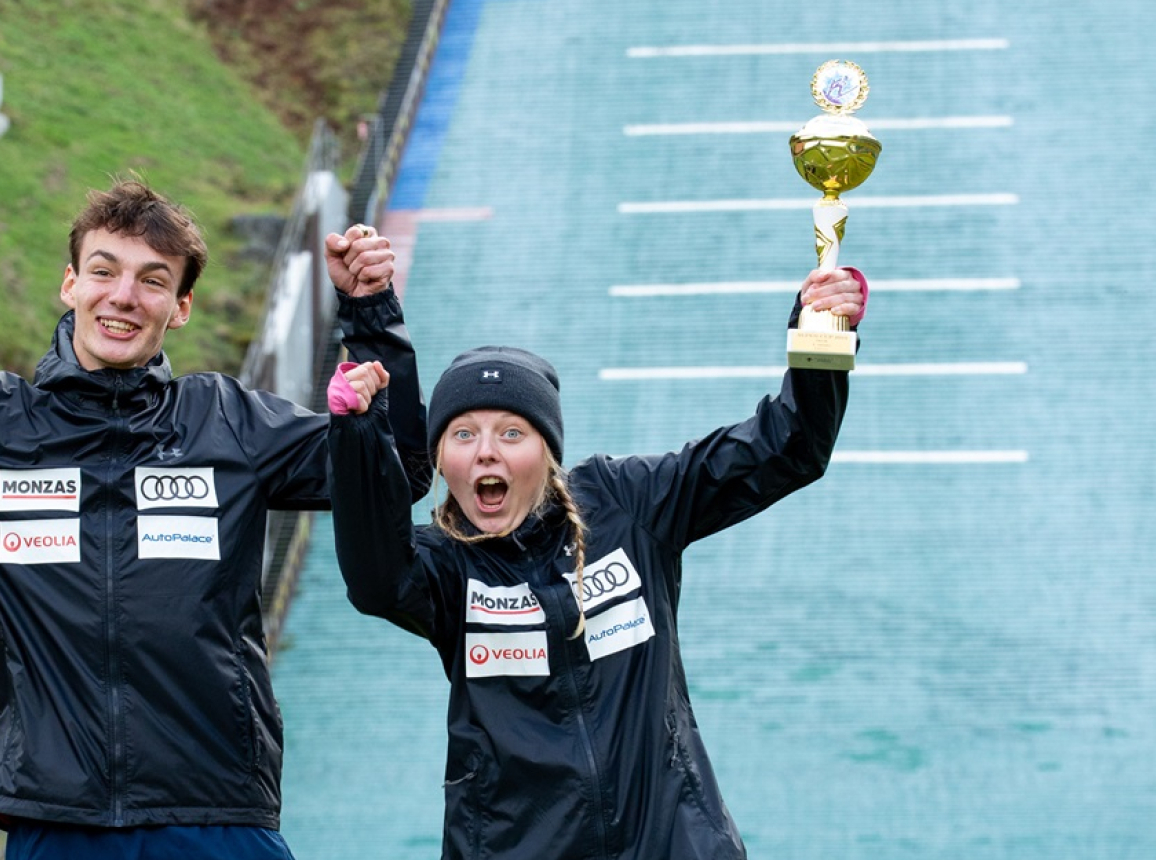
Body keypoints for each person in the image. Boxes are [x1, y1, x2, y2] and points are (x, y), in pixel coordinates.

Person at [0, 126, 429, 860]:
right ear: (70, 284)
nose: (123, 297)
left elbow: (398, 473)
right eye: (104, 271)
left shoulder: (229, 424)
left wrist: (372, 315)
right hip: (56, 822)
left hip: (217, 816)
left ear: (180, 307)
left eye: (153, 279)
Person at [326, 267, 867, 860]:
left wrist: (822, 338)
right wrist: (357, 431)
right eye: (462, 434)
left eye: (511, 432)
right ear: (443, 460)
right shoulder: (447, 566)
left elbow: (785, 449)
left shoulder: (627, 503)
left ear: (548, 451)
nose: (486, 451)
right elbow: (375, 576)